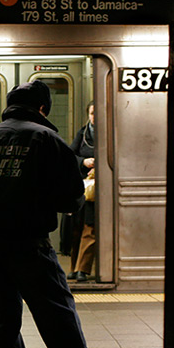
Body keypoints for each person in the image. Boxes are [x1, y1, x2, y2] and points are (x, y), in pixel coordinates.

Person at [0, 81, 118, 348]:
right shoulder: (47, 139)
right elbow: (71, 196)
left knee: (3, 321)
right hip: (30, 243)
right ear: (43, 108)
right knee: (58, 316)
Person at [67, 101, 96, 282]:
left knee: (90, 228)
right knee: (76, 228)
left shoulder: (109, 132)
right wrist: (83, 162)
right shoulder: (83, 133)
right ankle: (74, 267)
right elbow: (71, 155)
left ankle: (83, 269)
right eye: (92, 113)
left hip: (99, 188)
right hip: (84, 186)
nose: (95, 117)